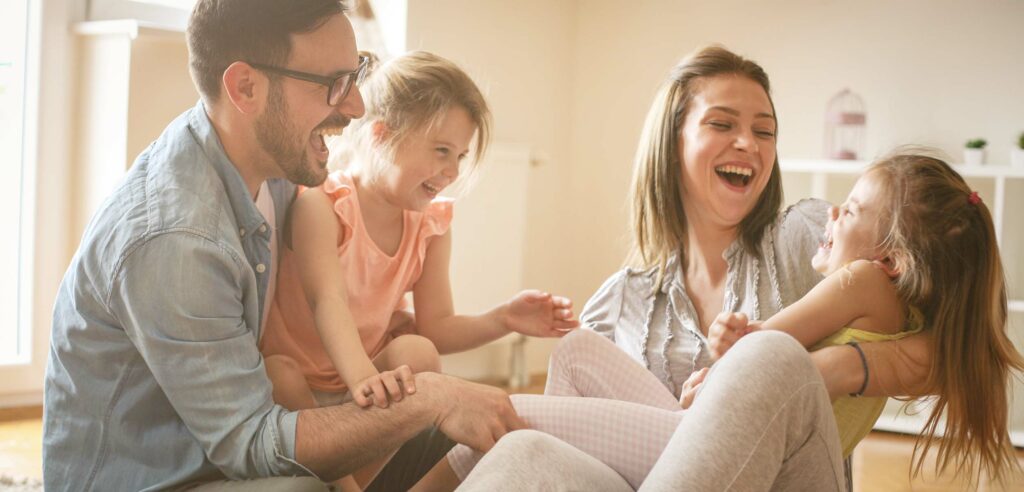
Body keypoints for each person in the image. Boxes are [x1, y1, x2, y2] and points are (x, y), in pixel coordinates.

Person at [42, 2, 526, 491]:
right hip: (162, 476)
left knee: (460, 446)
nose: (357, 105)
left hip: (220, 445)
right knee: (307, 485)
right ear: (246, 88)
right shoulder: (179, 239)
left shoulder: (273, 170)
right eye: (333, 82)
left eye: (355, 73)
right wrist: (429, 398)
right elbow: (251, 443)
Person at [421, 46, 939, 490]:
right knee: (528, 442)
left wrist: (839, 369)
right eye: (722, 124)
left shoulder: (808, 237)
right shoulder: (620, 300)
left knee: (513, 425)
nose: (748, 144)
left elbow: (951, 345)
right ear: (672, 141)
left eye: (765, 131)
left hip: (781, 475)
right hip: (658, 470)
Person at [259, 50, 578, 489]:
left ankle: (365, 481)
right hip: (305, 387)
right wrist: (365, 383)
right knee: (278, 372)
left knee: (419, 352)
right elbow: (326, 301)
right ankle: (342, 484)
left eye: (461, 157)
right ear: (380, 134)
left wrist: (504, 318)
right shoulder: (323, 205)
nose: (451, 171)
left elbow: (438, 326)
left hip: (363, 378)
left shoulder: (430, 223)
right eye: (441, 151)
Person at [708, 152, 1023, 483]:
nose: (831, 212)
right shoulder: (911, 321)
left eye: (849, 210)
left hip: (738, 456)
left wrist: (724, 341)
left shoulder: (863, 280)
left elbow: (759, 348)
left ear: (888, 259)